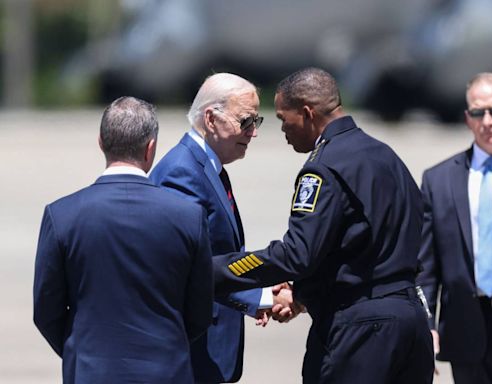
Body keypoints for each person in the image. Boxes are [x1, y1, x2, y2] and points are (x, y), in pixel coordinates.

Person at [212, 67, 434, 383]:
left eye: (282, 119)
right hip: (411, 324)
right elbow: (363, 243)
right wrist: (302, 292)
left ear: (306, 113)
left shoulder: (323, 168)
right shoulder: (387, 157)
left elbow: (296, 255)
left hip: (361, 332)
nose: (283, 130)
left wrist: (219, 271)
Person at [33, 97, 213, 383]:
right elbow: (200, 311)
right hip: (167, 372)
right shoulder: (189, 216)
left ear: (101, 142)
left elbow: (46, 311)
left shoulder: (62, 215)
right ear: (151, 147)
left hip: (91, 372)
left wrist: (82, 353)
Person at [150, 72, 296, 383]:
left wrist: (260, 291)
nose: (252, 133)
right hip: (193, 349)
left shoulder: (206, 166)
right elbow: (190, 267)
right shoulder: (182, 173)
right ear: (211, 119)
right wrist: (261, 297)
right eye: (246, 121)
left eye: (256, 122)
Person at [417, 72, 492, 383]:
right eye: (478, 112)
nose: (488, 121)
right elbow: (426, 267)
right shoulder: (439, 180)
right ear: (467, 118)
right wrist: (426, 324)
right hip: (466, 330)